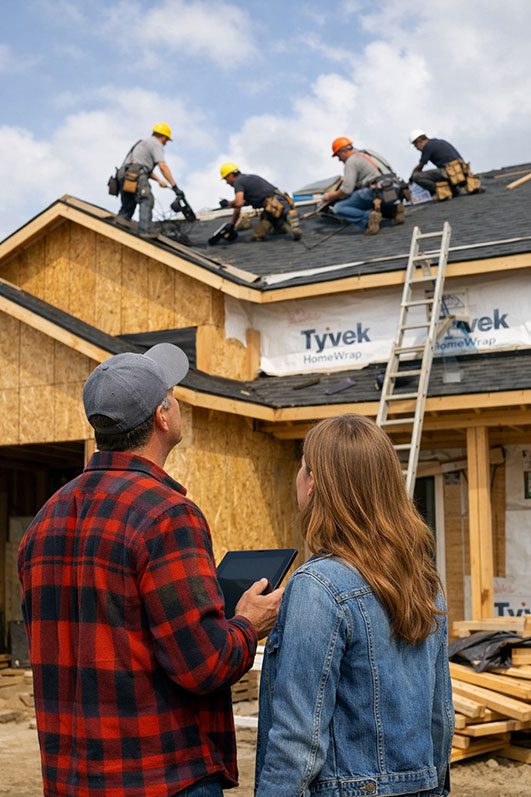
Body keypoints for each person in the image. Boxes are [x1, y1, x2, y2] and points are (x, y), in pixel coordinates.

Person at [18, 343, 282, 797]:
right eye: (174, 395)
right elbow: (203, 664)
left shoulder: (46, 518)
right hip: (161, 777)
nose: (178, 403)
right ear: (163, 416)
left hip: (71, 780)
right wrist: (247, 625)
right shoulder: (166, 514)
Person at [255, 414, 453, 797]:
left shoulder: (318, 587)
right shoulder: (424, 582)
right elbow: (440, 718)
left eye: (302, 468)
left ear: (313, 483)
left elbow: (298, 739)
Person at [322, 137, 405, 235]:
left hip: (377, 191)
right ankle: (394, 210)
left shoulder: (351, 162)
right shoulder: (369, 152)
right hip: (395, 188)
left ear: (342, 151)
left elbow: (346, 190)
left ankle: (369, 219)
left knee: (338, 207)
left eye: (338, 156)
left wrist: (329, 196)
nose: (339, 160)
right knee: (374, 198)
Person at [116, 122, 185, 235]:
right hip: (135, 174)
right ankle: (146, 230)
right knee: (146, 199)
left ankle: (120, 224)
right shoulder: (156, 144)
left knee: (129, 204)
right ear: (163, 137)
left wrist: (159, 180)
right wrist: (174, 186)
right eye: (166, 140)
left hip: (125, 175)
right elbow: (162, 166)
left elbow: (141, 167)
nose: (166, 143)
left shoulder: (143, 143)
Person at [219, 162, 302, 242]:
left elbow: (238, 203)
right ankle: (285, 222)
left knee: (257, 235)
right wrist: (232, 225)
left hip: (273, 205)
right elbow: (242, 204)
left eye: (226, 179)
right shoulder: (250, 177)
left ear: (230, 175)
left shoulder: (238, 182)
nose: (227, 183)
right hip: (282, 201)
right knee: (273, 222)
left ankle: (287, 218)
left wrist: (227, 203)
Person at [409, 129, 482, 199]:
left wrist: (411, 178)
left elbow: (420, 167)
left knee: (417, 176)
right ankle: (454, 189)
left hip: (449, 172)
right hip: (461, 172)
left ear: (419, 141)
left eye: (415, 145)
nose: (416, 148)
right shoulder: (440, 141)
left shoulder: (427, 146)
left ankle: (443, 191)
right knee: (439, 173)